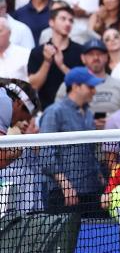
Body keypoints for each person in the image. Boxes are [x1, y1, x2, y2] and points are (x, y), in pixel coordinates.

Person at [41, 66, 105, 214]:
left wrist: (100, 175)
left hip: (91, 191)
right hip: (63, 195)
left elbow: (90, 151)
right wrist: (65, 185)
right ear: (76, 87)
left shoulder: (88, 113)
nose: (94, 91)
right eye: (90, 87)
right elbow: (46, 154)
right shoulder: (54, 112)